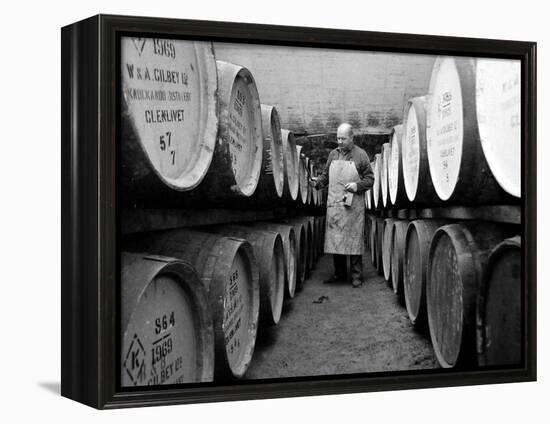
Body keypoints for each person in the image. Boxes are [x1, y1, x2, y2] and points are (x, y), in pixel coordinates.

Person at [311, 123, 374, 288]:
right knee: (336, 240)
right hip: (335, 204)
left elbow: (370, 179)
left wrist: (357, 186)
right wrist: (318, 183)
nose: (339, 141)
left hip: (353, 205)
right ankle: (339, 273)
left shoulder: (361, 155)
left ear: (351, 138)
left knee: (353, 239)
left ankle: (357, 276)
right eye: (338, 138)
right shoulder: (333, 154)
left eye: (343, 138)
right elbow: (325, 175)